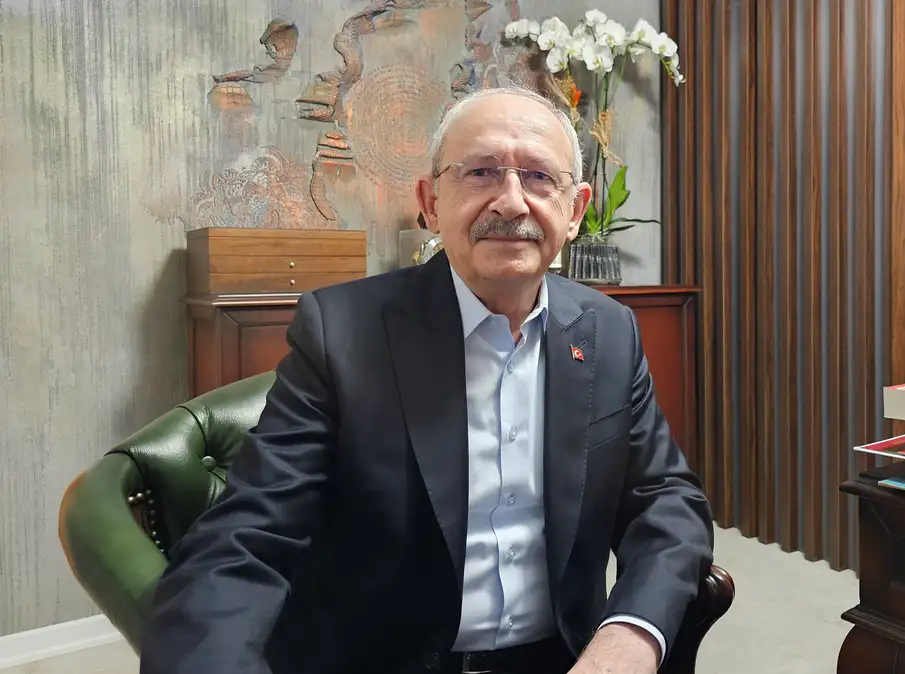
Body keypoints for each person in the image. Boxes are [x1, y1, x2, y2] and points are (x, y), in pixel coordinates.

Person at [139, 84, 714, 674]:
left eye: (539, 177)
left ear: (575, 210)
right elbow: (247, 537)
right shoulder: (342, 333)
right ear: (431, 202)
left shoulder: (609, 331)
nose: (511, 202)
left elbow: (665, 501)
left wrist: (629, 638)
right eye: (480, 172)